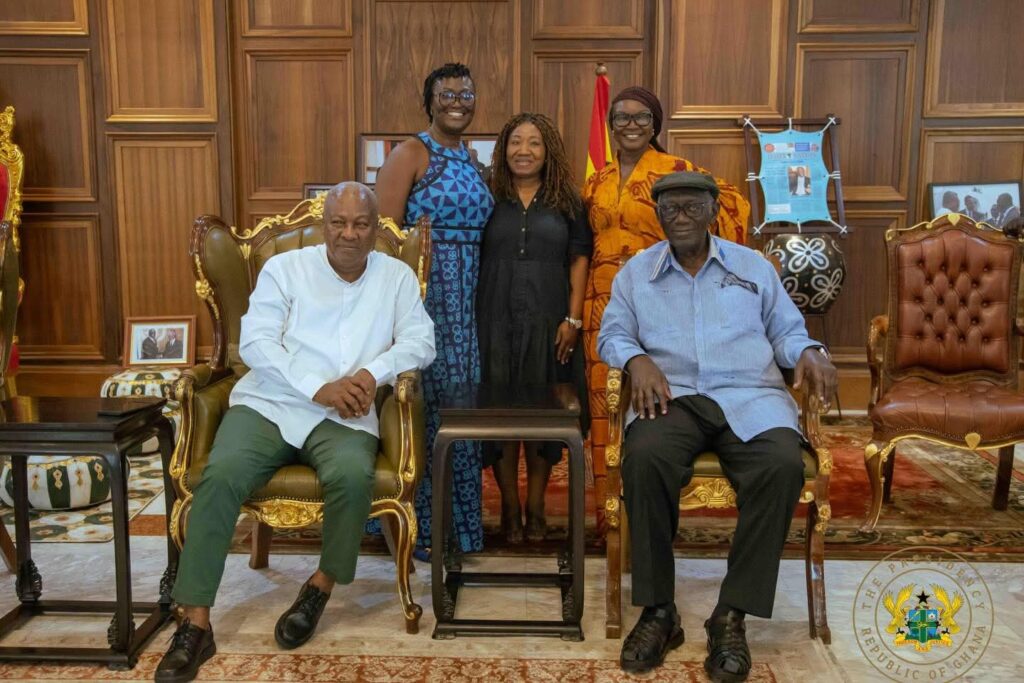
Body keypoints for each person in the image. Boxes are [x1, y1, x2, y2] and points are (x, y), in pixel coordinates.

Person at [155, 182, 436, 683]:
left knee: (352, 475)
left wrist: (372, 374)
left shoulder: (394, 276)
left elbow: (421, 341)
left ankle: (320, 586)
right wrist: (316, 387)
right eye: (338, 223)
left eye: (361, 224)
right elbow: (256, 344)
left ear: (375, 228)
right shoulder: (285, 269)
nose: (348, 234)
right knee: (219, 476)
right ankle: (195, 622)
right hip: (272, 402)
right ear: (324, 225)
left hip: (346, 412)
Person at [598, 171, 836, 679]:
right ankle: (659, 611)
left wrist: (810, 351)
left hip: (750, 394)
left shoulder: (753, 267)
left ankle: (730, 615)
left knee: (781, 465)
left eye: (691, 207)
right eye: (670, 209)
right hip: (674, 396)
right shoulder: (636, 273)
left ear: (712, 211)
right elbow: (612, 334)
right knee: (645, 457)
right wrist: (636, 358)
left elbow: (787, 332)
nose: (680, 217)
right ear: (658, 215)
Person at [581, 85, 749, 526]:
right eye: (622, 117)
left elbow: (731, 204)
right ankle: (609, 517)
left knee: (653, 403)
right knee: (603, 407)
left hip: (658, 295)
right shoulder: (597, 180)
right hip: (600, 303)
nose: (631, 125)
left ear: (655, 124)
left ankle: (649, 511)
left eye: (641, 117)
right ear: (611, 126)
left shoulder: (676, 169)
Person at [374, 62, 495, 557]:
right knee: (424, 406)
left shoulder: (472, 160)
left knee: (461, 406)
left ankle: (460, 527)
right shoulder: (411, 153)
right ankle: (419, 527)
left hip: (470, 301)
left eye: (466, 95)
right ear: (429, 102)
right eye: (447, 94)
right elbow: (384, 238)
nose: (457, 102)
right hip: (425, 299)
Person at [477, 112, 592, 543]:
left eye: (534, 143)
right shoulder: (487, 194)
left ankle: (537, 506)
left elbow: (579, 259)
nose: (523, 150)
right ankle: (509, 508)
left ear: (548, 152)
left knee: (546, 415)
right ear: (503, 149)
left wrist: (573, 319)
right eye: (515, 142)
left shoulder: (567, 200)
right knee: (501, 415)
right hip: (494, 320)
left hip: (551, 322)